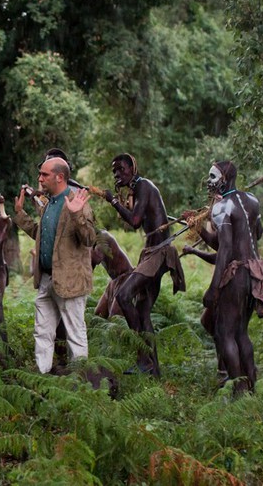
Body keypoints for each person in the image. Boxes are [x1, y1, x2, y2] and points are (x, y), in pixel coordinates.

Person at [188, 160, 263, 395]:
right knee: (241, 333)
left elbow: (224, 249)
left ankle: (238, 391)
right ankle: (251, 387)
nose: (209, 181)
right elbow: (257, 233)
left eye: (212, 177)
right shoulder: (252, 200)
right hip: (255, 272)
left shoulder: (221, 207)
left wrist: (214, 288)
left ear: (224, 179)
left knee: (224, 333)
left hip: (236, 275)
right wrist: (198, 227)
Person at [103, 153, 186, 376]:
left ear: (133, 168)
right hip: (152, 252)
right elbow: (138, 220)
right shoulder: (139, 189)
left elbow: (135, 221)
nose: (117, 174)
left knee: (123, 296)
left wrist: (113, 201)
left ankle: (143, 357)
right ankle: (154, 369)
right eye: (114, 171)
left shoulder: (143, 186)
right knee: (143, 311)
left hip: (159, 253)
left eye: (121, 169)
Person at [13, 156, 95, 374]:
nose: (40, 179)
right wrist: (20, 214)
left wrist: (77, 215)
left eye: (44, 174)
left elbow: (89, 239)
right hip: (46, 279)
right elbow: (40, 235)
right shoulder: (49, 204)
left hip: (70, 281)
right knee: (42, 332)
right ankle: (42, 377)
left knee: (75, 334)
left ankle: (80, 381)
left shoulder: (78, 203)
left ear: (59, 177)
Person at [91, 230, 135, 319]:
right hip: (114, 281)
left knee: (115, 316)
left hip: (126, 278)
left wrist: (85, 250)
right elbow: (91, 266)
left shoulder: (103, 237)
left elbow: (97, 258)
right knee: (99, 314)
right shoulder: (93, 242)